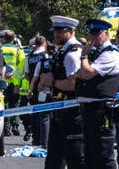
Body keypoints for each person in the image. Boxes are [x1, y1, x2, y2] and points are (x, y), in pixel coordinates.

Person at [39, 15, 85, 169]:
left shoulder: (73, 53)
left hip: (72, 113)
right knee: (54, 159)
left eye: (60, 31)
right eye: (55, 31)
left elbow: (73, 84)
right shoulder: (62, 51)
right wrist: (47, 81)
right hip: (59, 111)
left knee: (74, 157)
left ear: (71, 31)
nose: (56, 34)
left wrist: (52, 82)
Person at [76, 19, 119, 169]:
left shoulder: (110, 54)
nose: (93, 37)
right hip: (89, 110)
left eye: (97, 34)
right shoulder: (97, 53)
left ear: (106, 34)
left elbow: (86, 73)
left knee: (103, 155)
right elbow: (79, 74)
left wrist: (83, 57)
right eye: (92, 34)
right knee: (90, 156)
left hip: (101, 110)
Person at [26, 36, 50, 148]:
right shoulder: (45, 55)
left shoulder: (30, 56)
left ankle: (36, 138)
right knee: (45, 115)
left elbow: (26, 73)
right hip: (45, 88)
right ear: (44, 44)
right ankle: (43, 139)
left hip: (33, 87)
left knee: (35, 113)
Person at [1, 30, 25, 136]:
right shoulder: (18, 50)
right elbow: (22, 64)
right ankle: (15, 126)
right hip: (15, 81)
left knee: (5, 104)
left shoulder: (0, 49)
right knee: (15, 103)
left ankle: (6, 128)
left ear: (4, 38)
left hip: (3, 80)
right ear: (14, 39)